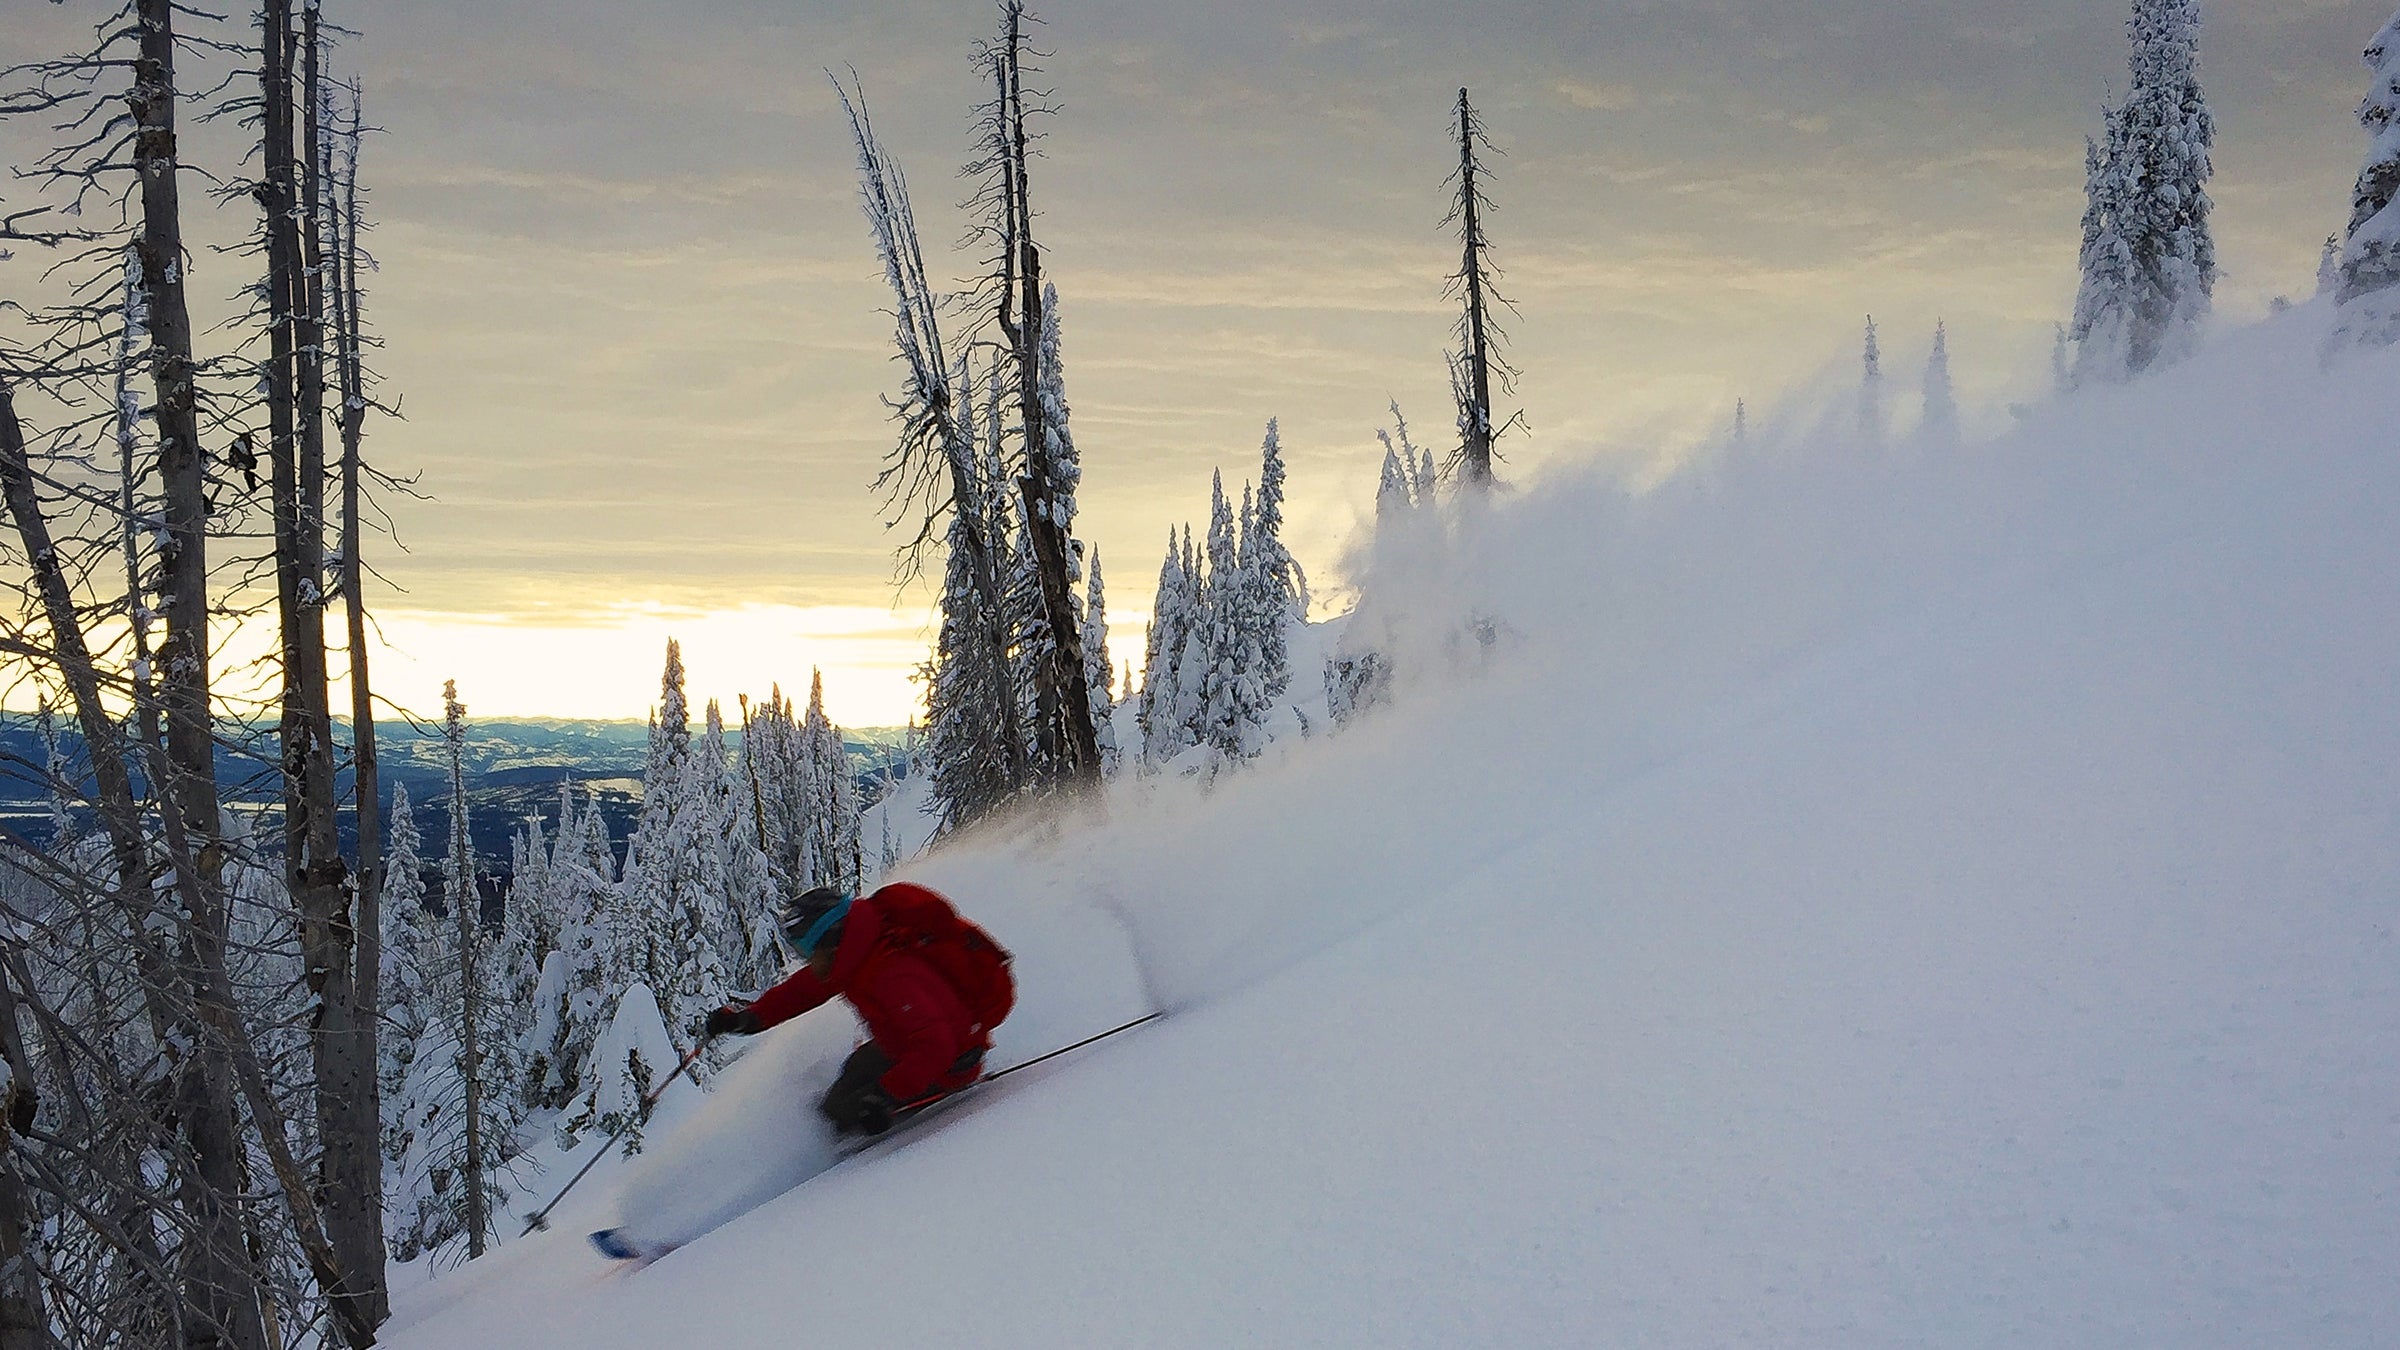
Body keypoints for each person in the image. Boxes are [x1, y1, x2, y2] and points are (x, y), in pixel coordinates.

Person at [703, 882, 1010, 1137]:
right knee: (853, 1074)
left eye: (807, 950)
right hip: (903, 1043)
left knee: (844, 1111)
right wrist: (750, 1018)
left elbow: (937, 1047)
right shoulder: (856, 955)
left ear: (832, 941)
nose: (806, 959)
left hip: (950, 1063)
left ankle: (847, 1161)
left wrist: (886, 1096)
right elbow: (804, 990)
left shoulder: (892, 975)